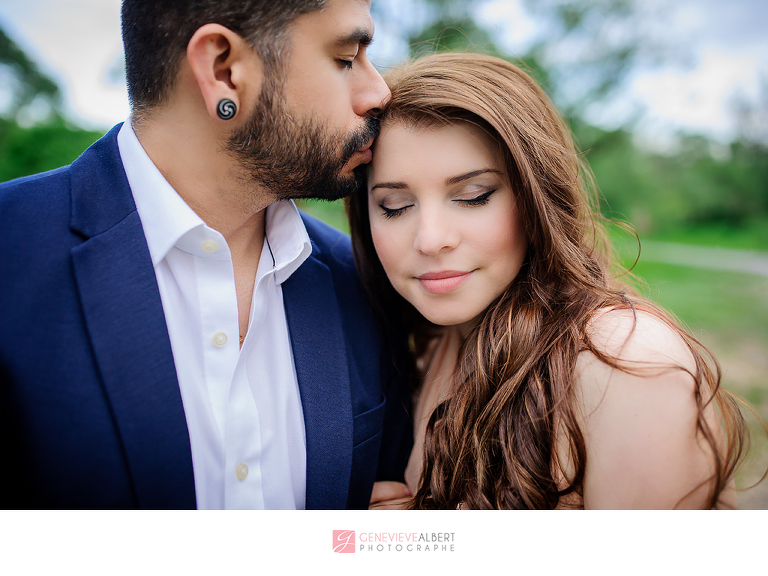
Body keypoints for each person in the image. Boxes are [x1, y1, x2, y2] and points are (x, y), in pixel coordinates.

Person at [0, 0, 412, 509]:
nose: (379, 92)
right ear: (223, 70)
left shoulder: (364, 282)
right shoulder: (11, 254)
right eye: (346, 58)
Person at [349, 52, 748, 509]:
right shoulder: (423, 348)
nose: (431, 239)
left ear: (536, 197)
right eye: (396, 206)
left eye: (474, 196)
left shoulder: (624, 364)